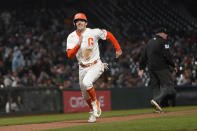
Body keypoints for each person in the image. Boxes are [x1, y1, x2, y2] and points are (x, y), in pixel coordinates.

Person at [66, 13, 122, 122]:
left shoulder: (93, 32)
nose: (79, 22)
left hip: (96, 64)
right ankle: (92, 111)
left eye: (82, 20)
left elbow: (109, 35)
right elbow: (69, 55)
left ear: (86, 23)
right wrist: (78, 44)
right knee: (84, 95)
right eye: (77, 20)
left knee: (87, 83)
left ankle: (95, 102)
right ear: (74, 23)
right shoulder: (71, 37)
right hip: (82, 67)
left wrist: (118, 49)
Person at [138, 27, 177, 113]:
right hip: (162, 67)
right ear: (161, 33)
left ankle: (157, 107)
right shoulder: (163, 42)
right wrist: (173, 65)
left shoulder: (149, 42)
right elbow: (167, 55)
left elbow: (144, 56)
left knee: (155, 87)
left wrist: (141, 68)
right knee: (168, 85)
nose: (166, 35)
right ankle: (156, 99)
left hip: (151, 68)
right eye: (165, 34)